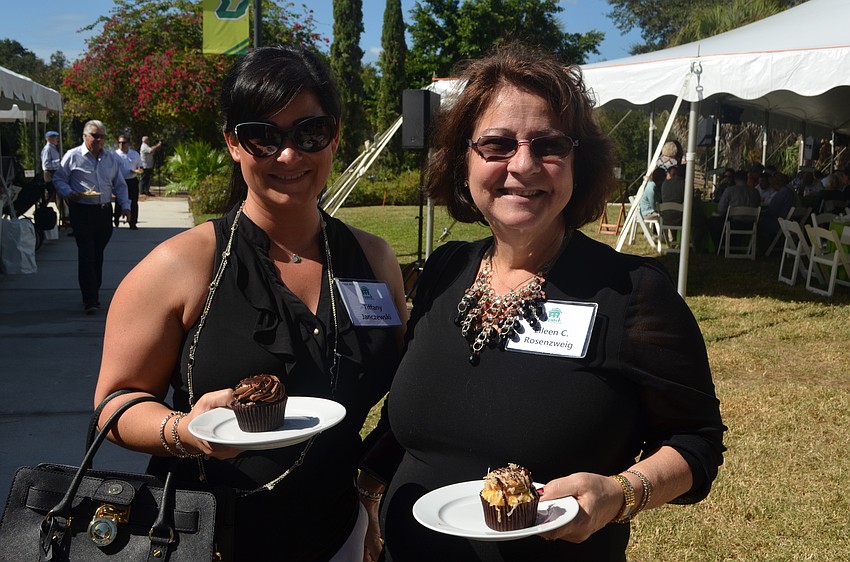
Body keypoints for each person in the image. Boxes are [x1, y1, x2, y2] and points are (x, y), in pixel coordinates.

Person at [379, 43, 726, 561]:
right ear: (462, 161)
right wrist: (365, 492)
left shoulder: (632, 292)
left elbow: (695, 441)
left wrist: (621, 495)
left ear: (576, 162)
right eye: (496, 145)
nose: (523, 164)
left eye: (548, 145)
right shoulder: (445, 271)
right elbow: (404, 422)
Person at [93, 45, 407, 560]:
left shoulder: (373, 259)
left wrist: (372, 494)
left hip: (337, 537)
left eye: (309, 133)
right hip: (206, 540)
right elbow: (113, 406)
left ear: (334, 137)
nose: (288, 155)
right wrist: (184, 430)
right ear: (234, 145)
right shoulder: (181, 265)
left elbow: (406, 397)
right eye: (262, 136)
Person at [52, 120, 130, 314]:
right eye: (95, 136)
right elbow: (58, 178)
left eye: (102, 136)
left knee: (97, 254)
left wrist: (126, 206)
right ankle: (90, 299)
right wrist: (69, 192)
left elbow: (119, 184)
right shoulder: (73, 156)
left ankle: (93, 289)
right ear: (85, 136)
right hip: (83, 210)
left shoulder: (110, 158)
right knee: (86, 253)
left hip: (103, 212)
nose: (99, 140)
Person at [708, 169, 761, 247]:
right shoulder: (756, 192)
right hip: (751, 224)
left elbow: (721, 209)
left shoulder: (730, 191)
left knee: (712, 221)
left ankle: (721, 246)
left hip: (734, 223)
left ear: (735, 179)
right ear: (746, 179)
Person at [114, 134, 143, 229]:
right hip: (120, 181)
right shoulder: (114, 155)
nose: (121, 144)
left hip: (132, 180)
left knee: (133, 202)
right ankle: (117, 219)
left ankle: (133, 222)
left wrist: (139, 170)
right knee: (119, 201)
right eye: (119, 142)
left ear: (128, 143)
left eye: (123, 142)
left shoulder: (134, 154)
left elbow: (140, 166)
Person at [41, 130, 66, 227]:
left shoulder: (53, 148)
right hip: (50, 173)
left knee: (59, 195)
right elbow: (46, 164)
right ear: (50, 139)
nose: (57, 140)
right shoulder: (48, 149)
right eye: (55, 138)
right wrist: (59, 161)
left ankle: (63, 215)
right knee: (50, 193)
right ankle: (42, 210)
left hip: (55, 172)